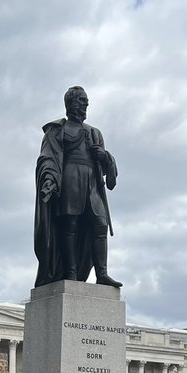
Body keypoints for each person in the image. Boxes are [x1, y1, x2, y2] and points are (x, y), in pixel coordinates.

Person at [34, 86, 121, 288]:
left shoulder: (94, 132)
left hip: (92, 184)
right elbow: (48, 158)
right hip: (70, 180)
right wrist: (49, 179)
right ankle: (71, 273)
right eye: (82, 101)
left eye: (86, 101)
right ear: (71, 103)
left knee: (100, 224)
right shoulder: (57, 130)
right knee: (70, 225)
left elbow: (107, 165)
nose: (85, 105)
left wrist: (105, 157)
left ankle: (102, 273)